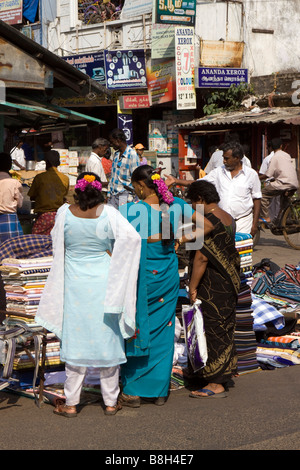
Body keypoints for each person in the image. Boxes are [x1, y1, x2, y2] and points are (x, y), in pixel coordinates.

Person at [35, 172, 141, 417]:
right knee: (108, 337)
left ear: (78, 190)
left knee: (76, 338)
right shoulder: (110, 213)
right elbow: (133, 238)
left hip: (75, 284)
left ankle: (71, 403)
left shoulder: (64, 213)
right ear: (98, 190)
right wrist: (115, 260)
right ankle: (111, 402)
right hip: (105, 282)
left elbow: (56, 241)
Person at [118, 165, 214, 407]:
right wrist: (181, 239)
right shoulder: (177, 206)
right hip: (167, 273)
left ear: (140, 186)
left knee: (137, 324)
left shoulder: (129, 210)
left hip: (140, 275)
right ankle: (159, 391)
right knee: (164, 327)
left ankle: (134, 390)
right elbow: (207, 226)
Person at [185, 180, 241, 398]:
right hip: (229, 281)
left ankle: (216, 383)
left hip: (212, 284)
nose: (191, 207)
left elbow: (201, 257)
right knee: (224, 327)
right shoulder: (227, 217)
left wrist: (192, 287)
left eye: (192, 202)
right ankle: (215, 374)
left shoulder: (206, 220)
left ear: (200, 200)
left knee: (212, 328)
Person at [165, 141, 262, 236]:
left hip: (243, 222)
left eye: (227, 158)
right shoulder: (218, 172)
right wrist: (176, 181)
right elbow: (199, 183)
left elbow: (257, 199)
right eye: (223, 158)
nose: (224, 161)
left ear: (237, 158)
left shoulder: (251, 175)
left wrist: (255, 224)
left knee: (242, 250)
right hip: (223, 221)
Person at [28, 150, 69, 235]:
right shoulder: (65, 178)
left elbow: (32, 196)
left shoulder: (39, 178)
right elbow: (64, 195)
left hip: (43, 218)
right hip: (59, 217)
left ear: (47, 163)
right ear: (58, 162)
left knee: (37, 243)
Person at [259, 138, 299, 223]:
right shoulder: (287, 155)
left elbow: (268, 174)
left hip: (284, 183)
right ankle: (284, 221)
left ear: (271, 148)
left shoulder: (274, 157)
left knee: (263, 194)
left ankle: (266, 217)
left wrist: (258, 178)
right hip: (294, 183)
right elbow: (283, 170)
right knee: (284, 202)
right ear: (281, 146)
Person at [107, 128, 139, 209]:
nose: (111, 144)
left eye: (112, 142)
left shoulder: (132, 155)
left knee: (121, 219)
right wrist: (108, 194)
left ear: (118, 140)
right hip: (113, 195)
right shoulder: (116, 154)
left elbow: (136, 179)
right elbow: (113, 177)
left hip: (124, 196)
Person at [0, 152, 24, 243]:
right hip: (9, 220)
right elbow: (20, 204)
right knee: (12, 249)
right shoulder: (14, 183)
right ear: (10, 166)